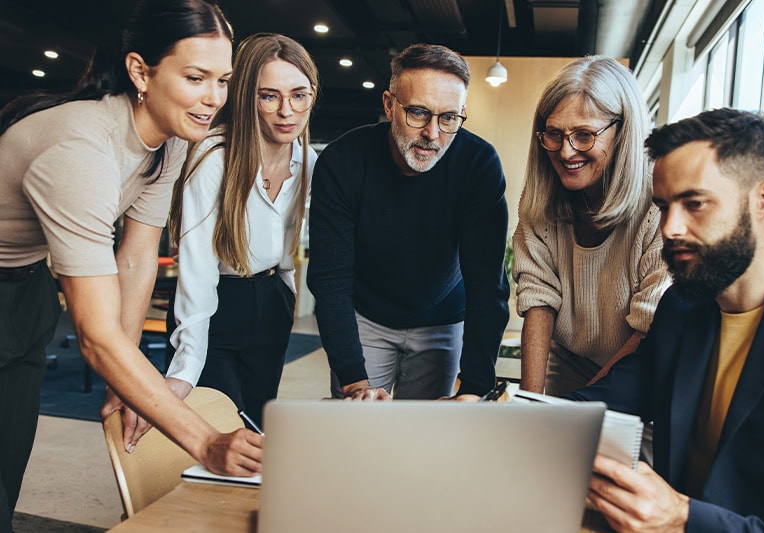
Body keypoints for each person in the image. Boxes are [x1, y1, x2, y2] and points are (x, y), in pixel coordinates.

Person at [0, 2, 261, 529]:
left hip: (23, 295)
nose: (214, 99)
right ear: (141, 71)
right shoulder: (80, 147)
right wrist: (205, 442)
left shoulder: (165, 143)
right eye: (195, 78)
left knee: (7, 467)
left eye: (223, 80)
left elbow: (138, 255)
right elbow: (94, 335)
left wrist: (122, 382)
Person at [568, 108, 764, 531]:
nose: (670, 228)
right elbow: (612, 398)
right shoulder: (682, 305)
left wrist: (683, 519)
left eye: (695, 204)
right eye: (663, 207)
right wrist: (508, 420)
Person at [307, 43, 510, 400]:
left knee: (423, 437)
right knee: (358, 430)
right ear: (389, 105)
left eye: (448, 118)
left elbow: (486, 284)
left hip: (442, 317)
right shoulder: (343, 161)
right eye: (418, 113)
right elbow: (330, 279)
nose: (432, 133)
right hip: (366, 316)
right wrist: (355, 381)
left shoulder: (478, 165)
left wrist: (475, 390)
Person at [164, 33, 318, 420]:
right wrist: (185, 367)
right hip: (217, 303)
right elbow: (197, 268)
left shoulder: (308, 159)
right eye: (269, 95)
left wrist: (285, 294)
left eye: (299, 95)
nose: (287, 111)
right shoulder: (214, 157)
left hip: (272, 301)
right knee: (219, 427)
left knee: (256, 426)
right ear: (246, 96)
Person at [512, 56, 671, 395]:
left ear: (623, 130)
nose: (566, 152)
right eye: (554, 134)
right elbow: (538, 298)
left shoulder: (659, 201)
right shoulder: (540, 195)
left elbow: (647, 326)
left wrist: (581, 403)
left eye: (584, 135)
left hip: (640, 360)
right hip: (569, 359)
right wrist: (529, 401)